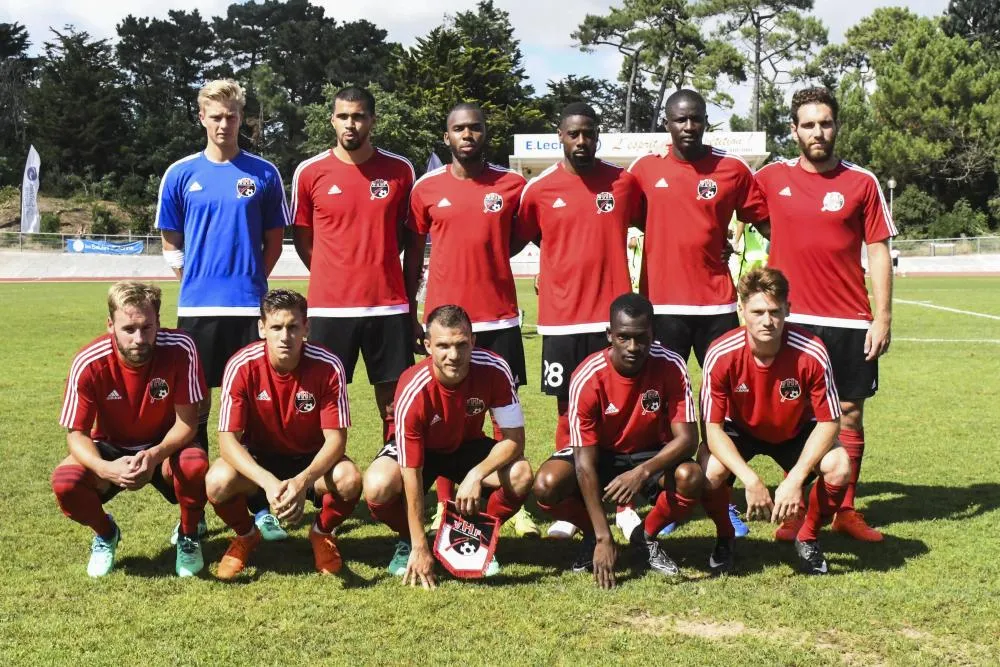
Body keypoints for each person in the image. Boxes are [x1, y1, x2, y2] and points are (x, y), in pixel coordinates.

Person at [755, 87, 896, 542]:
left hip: (849, 320)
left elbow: (877, 249)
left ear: (836, 126)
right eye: (809, 124)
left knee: (850, 414)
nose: (818, 131)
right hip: (792, 323)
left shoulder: (862, 182)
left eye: (826, 123)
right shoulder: (771, 178)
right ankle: (798, 510)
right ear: (793, 130)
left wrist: (883, 317)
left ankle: (845, 510)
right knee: (798, 419)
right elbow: (732, 206)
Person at [156, 79, 289, 542]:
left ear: (241, 118)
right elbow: (171, 243)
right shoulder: (179, 174)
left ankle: (257, 505)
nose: (223, 124)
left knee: (251, 409)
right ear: (201, 117)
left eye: (231, 116)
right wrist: (193, 283)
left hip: (248, 310)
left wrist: (251, 281)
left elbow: (273, 241)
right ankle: (190, 515)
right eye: (215, 116)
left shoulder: (264, 173)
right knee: (192, 412)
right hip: (197, 311)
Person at [408, 102, 537, 537]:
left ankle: (508, 502)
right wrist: (413, 307)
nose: (468, 135)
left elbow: (515, 240)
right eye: (459, 129)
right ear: (447, 137)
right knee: (447, 412)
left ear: (486, 133)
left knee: (502, 408)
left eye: (475, 128)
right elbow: (414, 246)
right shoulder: (425, 188)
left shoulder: (513, 184)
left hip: (498, 317)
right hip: (445, 322)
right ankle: (445, 503)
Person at [517, 102, 644, 539]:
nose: (582, 141)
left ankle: (623, 502)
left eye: (589, 133)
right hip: (561, 320)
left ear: (598, 135)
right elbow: (529, 236)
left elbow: (655, 223)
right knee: (567, 408)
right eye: (574, 134)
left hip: (613, 321)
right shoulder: (538, 190)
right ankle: (570, 506)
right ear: (560, 136)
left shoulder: (623, 184)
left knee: (620, 404)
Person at [532, 293, 701, 589]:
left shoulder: (672, 364)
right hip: (602, 455)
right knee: (546, 485)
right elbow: (584, 464)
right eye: (623, 337)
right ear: (610, 334)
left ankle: (644, 537)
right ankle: (592, 537)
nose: (633, 347)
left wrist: (642, 472)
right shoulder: (587, 375)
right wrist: (602, 536)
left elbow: (687, 439)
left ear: (653, 333)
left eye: (641, 338)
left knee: (691, 477)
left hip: (650, 454)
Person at [363, 305, 534, 587]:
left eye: (461, 345)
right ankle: (409, 541)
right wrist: (420, 544)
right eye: (443, 346)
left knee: (520, 474)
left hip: (467, 446)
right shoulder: (412, 387)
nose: (453, 355)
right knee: (378, 485)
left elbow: (514, 440)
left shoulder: (494, 368)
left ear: (473, 341)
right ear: (428, 345)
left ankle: (477, 537)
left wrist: (475, 474)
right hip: (422, 452)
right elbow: (411, 472)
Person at [51, 282, 209, 577]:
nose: (139, 338)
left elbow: (188, 423)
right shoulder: (89, 362)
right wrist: (105, 468)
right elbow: (77, 434)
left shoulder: (181, 348)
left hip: (165, 445)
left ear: (158, 322)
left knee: (194, 464)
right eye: (128, 329)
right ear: (110, 325)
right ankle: (106, 533)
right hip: (113, 447)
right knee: (66, 482)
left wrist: (153, 455)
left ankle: (188, 535)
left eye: (147, 327)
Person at [700, 267, 852, 575]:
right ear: (742, 311)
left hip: (794, 428)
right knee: (710, 470)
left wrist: (795, 479)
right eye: (757, 312)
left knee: (839, 466)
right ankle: (724, 538)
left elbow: (829, 422)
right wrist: (751, 480)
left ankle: (808, 538)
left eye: (775, 311)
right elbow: (712, 430)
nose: (767, 321)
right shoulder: (721, 353)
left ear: (788, 310)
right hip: (740, 428)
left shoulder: (811, 351)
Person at [291, 85, 418, 447]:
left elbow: (408, 240)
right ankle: (318, 480)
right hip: (329, 308)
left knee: (394, 403)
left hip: (387, 305)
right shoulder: (310, 171)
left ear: (372, 121)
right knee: (317, 400)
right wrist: (334, 274)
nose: (351, 124)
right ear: (332, 120)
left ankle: (392, 474)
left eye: (359, 116)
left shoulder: (399, 170)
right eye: (343, 116)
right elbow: (303, 238)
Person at [206, 289, 360, 579]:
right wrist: (267, 483)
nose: (284, 336)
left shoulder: (328, 365)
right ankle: (246, 535)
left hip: (312, 458)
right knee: (217, 481)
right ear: (262, 328)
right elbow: (227, 442)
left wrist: (303, 482)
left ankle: (321, 532)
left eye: (293, 327)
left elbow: (336, 440)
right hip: (260, 459)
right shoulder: (242, 365)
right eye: (276, 327)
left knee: (349, 480)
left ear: (306, 327)